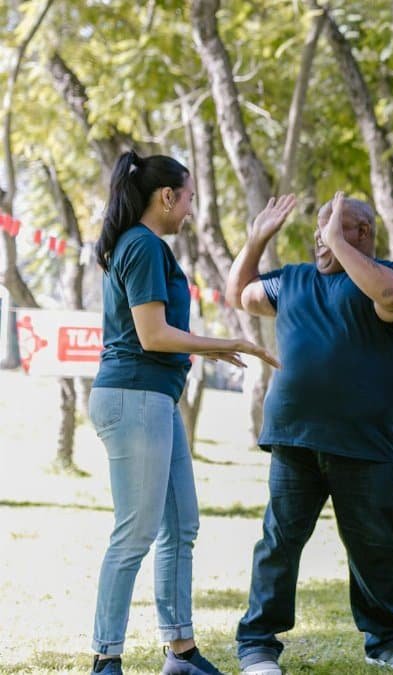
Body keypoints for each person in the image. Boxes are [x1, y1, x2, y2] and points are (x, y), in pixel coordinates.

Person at [88, 151, 280, 675]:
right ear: (167, 196)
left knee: (181, 524)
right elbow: (152, 335)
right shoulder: (143, 246)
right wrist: (224, 342)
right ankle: (106, 658)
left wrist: (210, 349)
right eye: (189, 197)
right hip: (134, 396)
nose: (192, 209)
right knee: (135, 532)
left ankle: (182, 654)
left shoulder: (143, 245)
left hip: (156, 398)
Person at [226, 192, 393, 674]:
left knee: (375, 544)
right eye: (319, 229)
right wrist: (255, 241)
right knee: (279, 543)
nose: (322, 237)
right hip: (295, 439)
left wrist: (338, 242)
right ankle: (257, 644)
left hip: (365, 444)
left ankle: (385, 641)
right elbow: (242, 294)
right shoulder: (294, 279)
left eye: (334, 227)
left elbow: (391, 299)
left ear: (363, 233)